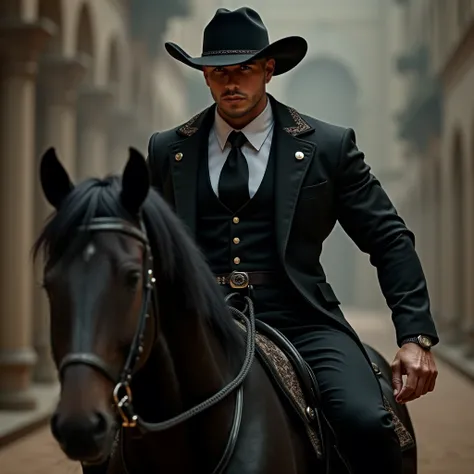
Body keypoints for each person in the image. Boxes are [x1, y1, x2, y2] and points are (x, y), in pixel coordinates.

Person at [146, 7, 439, 474]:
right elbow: (148, 245)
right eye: (219, 71)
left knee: (365, 422)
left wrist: (415, 335)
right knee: (115, 425)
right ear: (205, 77)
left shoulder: (327, 145)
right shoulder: (168, 149)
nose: (231, 82)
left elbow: (389, 237)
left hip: (302, 317)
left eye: (245, 68)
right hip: (198, 318)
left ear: (268, 69)